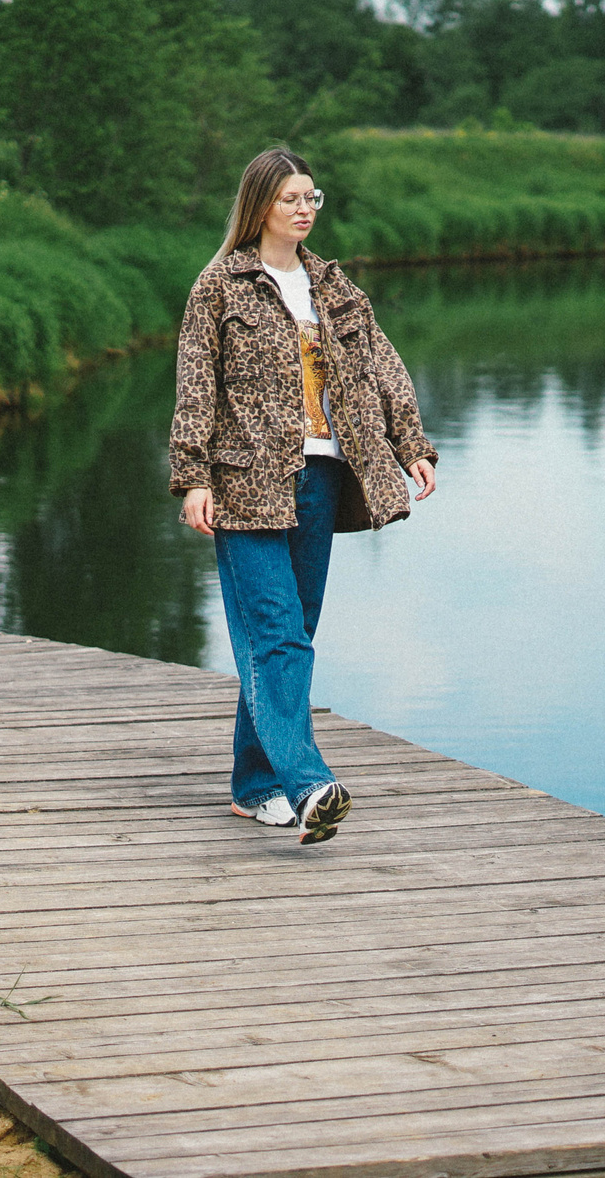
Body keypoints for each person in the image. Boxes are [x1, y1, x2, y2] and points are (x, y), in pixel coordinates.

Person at [170, 147, 438, 845]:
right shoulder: (220, 285)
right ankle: (306, 782)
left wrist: (412, 445)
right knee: (278, 636)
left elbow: (384, 364)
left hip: (320, 479)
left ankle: (252, 786)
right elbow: (196, 385)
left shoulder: (335, 287)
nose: (304, 209)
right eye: (291, 198)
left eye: (312, 197)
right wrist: (193, 477)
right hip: (244, 484)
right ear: (260, 205)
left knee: (287, 635)